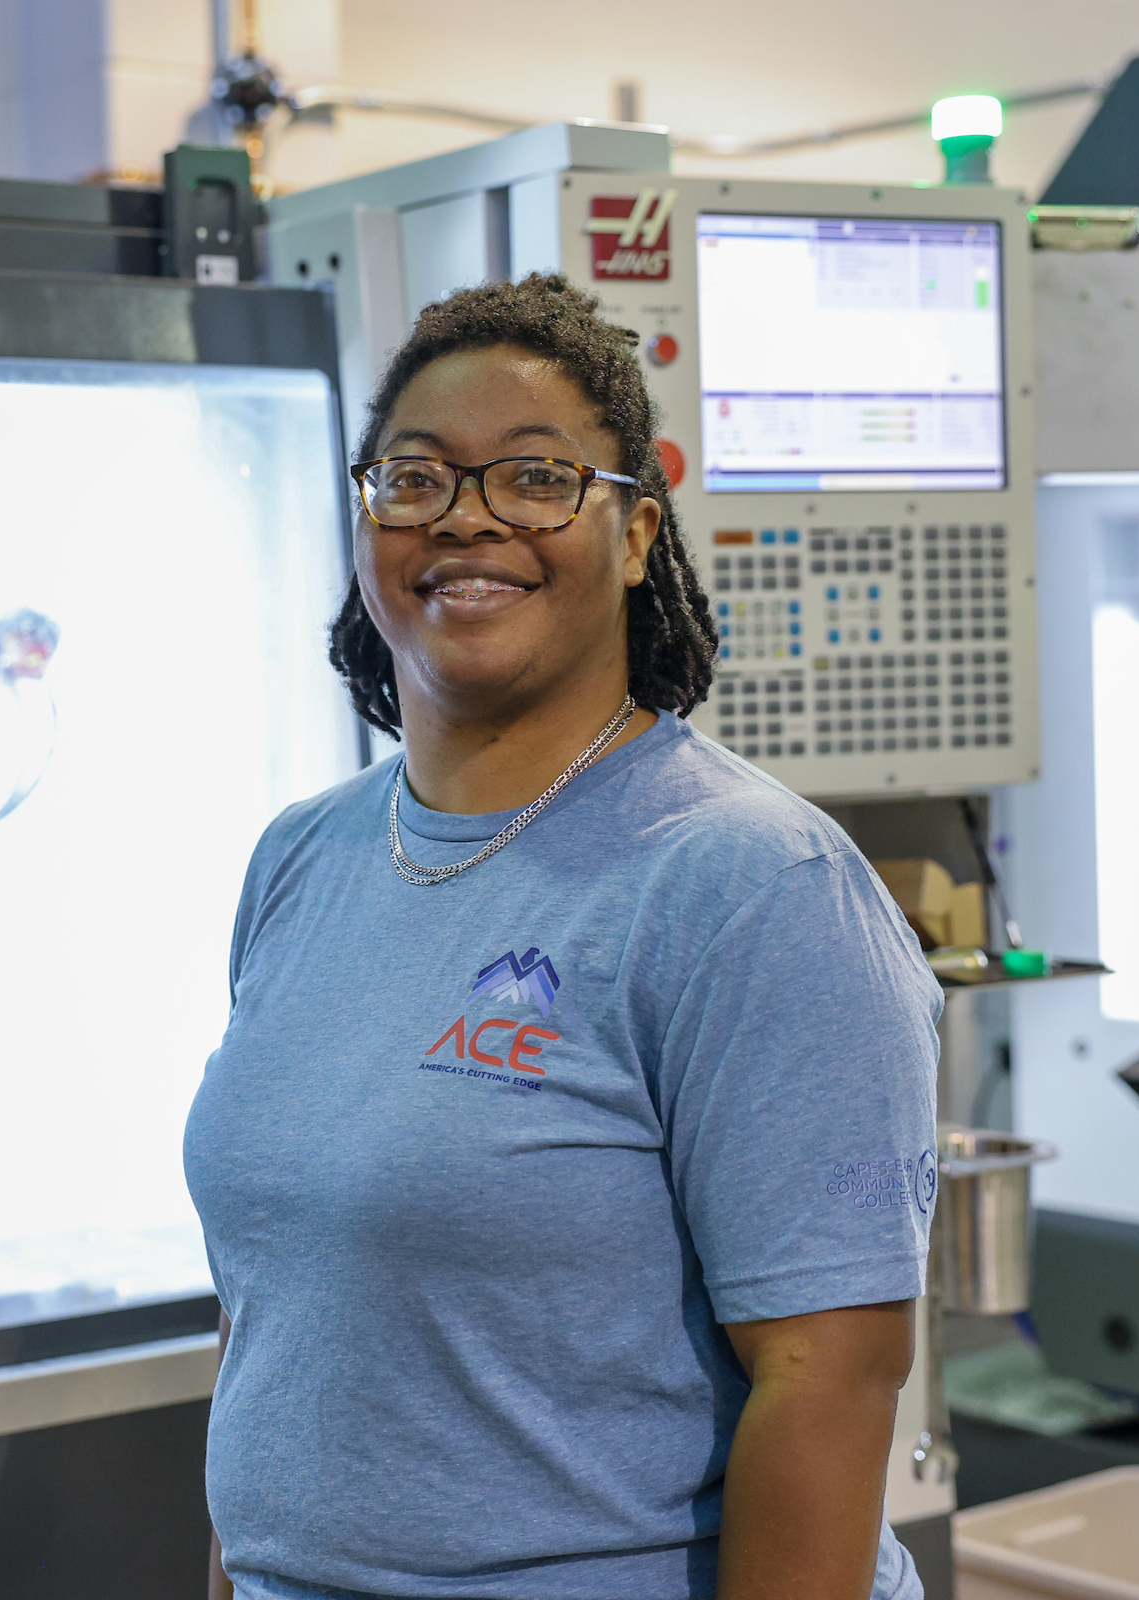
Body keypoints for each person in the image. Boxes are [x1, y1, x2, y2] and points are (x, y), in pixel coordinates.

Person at [183, 273, 941, 1600]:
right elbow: (279, 1327)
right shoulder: (304, 858)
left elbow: (829, 1379)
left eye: (536, 479)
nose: (468, 521)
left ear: (639, 533)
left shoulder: (752, 885)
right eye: (415, 480)